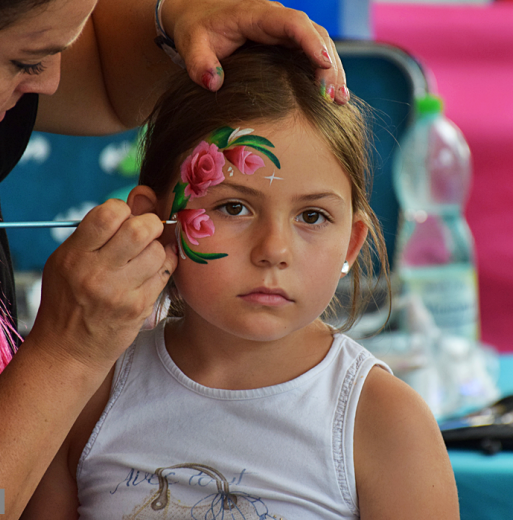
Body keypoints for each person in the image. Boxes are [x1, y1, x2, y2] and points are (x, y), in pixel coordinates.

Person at [0, 0, 349, 515]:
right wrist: (63, 357)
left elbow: (104, 70)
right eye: (26, 60)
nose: (54, 82)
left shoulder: (374, 420)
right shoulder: (96, 408)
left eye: (312, 216)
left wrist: (173, 17)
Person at [23, 44, 460, 519]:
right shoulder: (86, 391)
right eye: (233, 207)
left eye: (312, 216)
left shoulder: (383, 423)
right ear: (153, 221)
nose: (274, 249)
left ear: (350, 245)